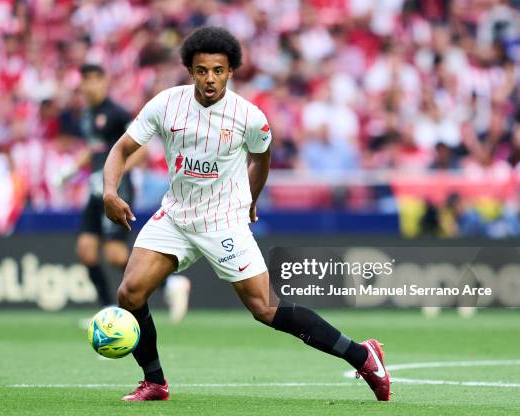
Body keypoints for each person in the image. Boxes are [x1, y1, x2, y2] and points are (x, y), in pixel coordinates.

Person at [102, 27, 391, 402]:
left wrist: (251, 199)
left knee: (265, 308)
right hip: (175, 216)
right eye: (202, 70)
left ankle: (362, 355)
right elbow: (122, 149)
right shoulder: (165, 104)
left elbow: (262, 158)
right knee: (130, 293)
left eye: (218, 70)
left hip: (223, 220)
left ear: (230, 72)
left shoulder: (248, 116)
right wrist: (109, 190)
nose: (210, 78)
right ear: (190, 70)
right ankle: (155, 382)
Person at [72, 64, 191, 321]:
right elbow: (93, 150)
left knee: (115, 255)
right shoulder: (86, 115)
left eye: (96, 79)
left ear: (105, 82)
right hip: (96, 189)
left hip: (115, 188)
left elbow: (142, 149)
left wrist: (113, 175)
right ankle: (106, 310)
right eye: (86, 80)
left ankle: (169, 285)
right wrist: (70, 170)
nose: (91, 85)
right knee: (86, 250)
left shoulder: (116, 113)